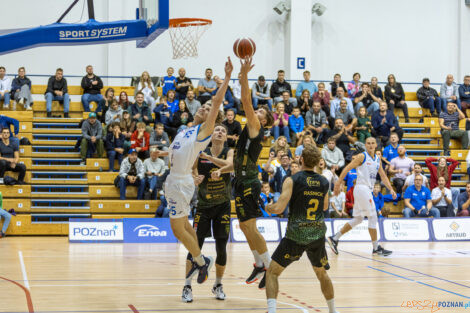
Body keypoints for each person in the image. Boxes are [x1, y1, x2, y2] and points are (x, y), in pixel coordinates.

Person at [159, 57, 233, 288]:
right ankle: (201, 260)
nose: (204, 107)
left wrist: (227, 78)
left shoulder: (204, 131)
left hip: (179, 182)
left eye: (208, 109)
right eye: (203, 106)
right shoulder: (185, 131)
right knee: (186, 229)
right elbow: (177, 154)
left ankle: (201, 261)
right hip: (176, 179)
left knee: (177, 229)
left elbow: (217, 99)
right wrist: (158, 155)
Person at [213, 58, 274, 289]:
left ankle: (269, 266)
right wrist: (221, 168)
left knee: (251, 226)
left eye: (260, 111)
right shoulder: (248, 131)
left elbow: (246, 99)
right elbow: (238, 161)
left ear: (264, 121)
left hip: (249, 182)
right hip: (240, 179)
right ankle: (259, 263)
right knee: (244, 226)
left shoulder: (255, 128)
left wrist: (243, 73)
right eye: (255, 111)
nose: (255, 111)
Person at [265, 146, 339, 313]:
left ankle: (271, 310)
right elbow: (326, 206)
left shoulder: (292, 179)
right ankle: (333, 310)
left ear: (301, 160)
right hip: (317, 235)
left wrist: (269, 208)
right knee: (322, 274)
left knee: (272, 273)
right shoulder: (323, 181)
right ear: (316, 162)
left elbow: (278, 209)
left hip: (295, 236)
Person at [183, 125, 234, 302]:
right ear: (211, 135)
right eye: (217, 130)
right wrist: (195, 177)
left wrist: (216, 166)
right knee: (194, 246)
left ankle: (218, 284)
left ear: (226, 137)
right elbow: (192, 167)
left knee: (221, 248)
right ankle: (187, 286)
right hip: (203, 206)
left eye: (223, 131)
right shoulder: (201, 151)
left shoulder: (229, 151)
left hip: (223, 206)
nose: (220, 132)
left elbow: (230, 165)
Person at [328, 137, 396, 256]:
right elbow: (346, 169)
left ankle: (334, 238)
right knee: (373, 216)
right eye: (368, 143)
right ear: (365, 145)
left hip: (365, 191)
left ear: (376, 145)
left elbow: (383, 176)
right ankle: (376, 248)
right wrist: (338, 183)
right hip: (361, 188)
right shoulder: (362, 156)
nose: (370, 145)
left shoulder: (377, 159)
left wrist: (391, 189)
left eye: (372, 143)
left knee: (358, 219)